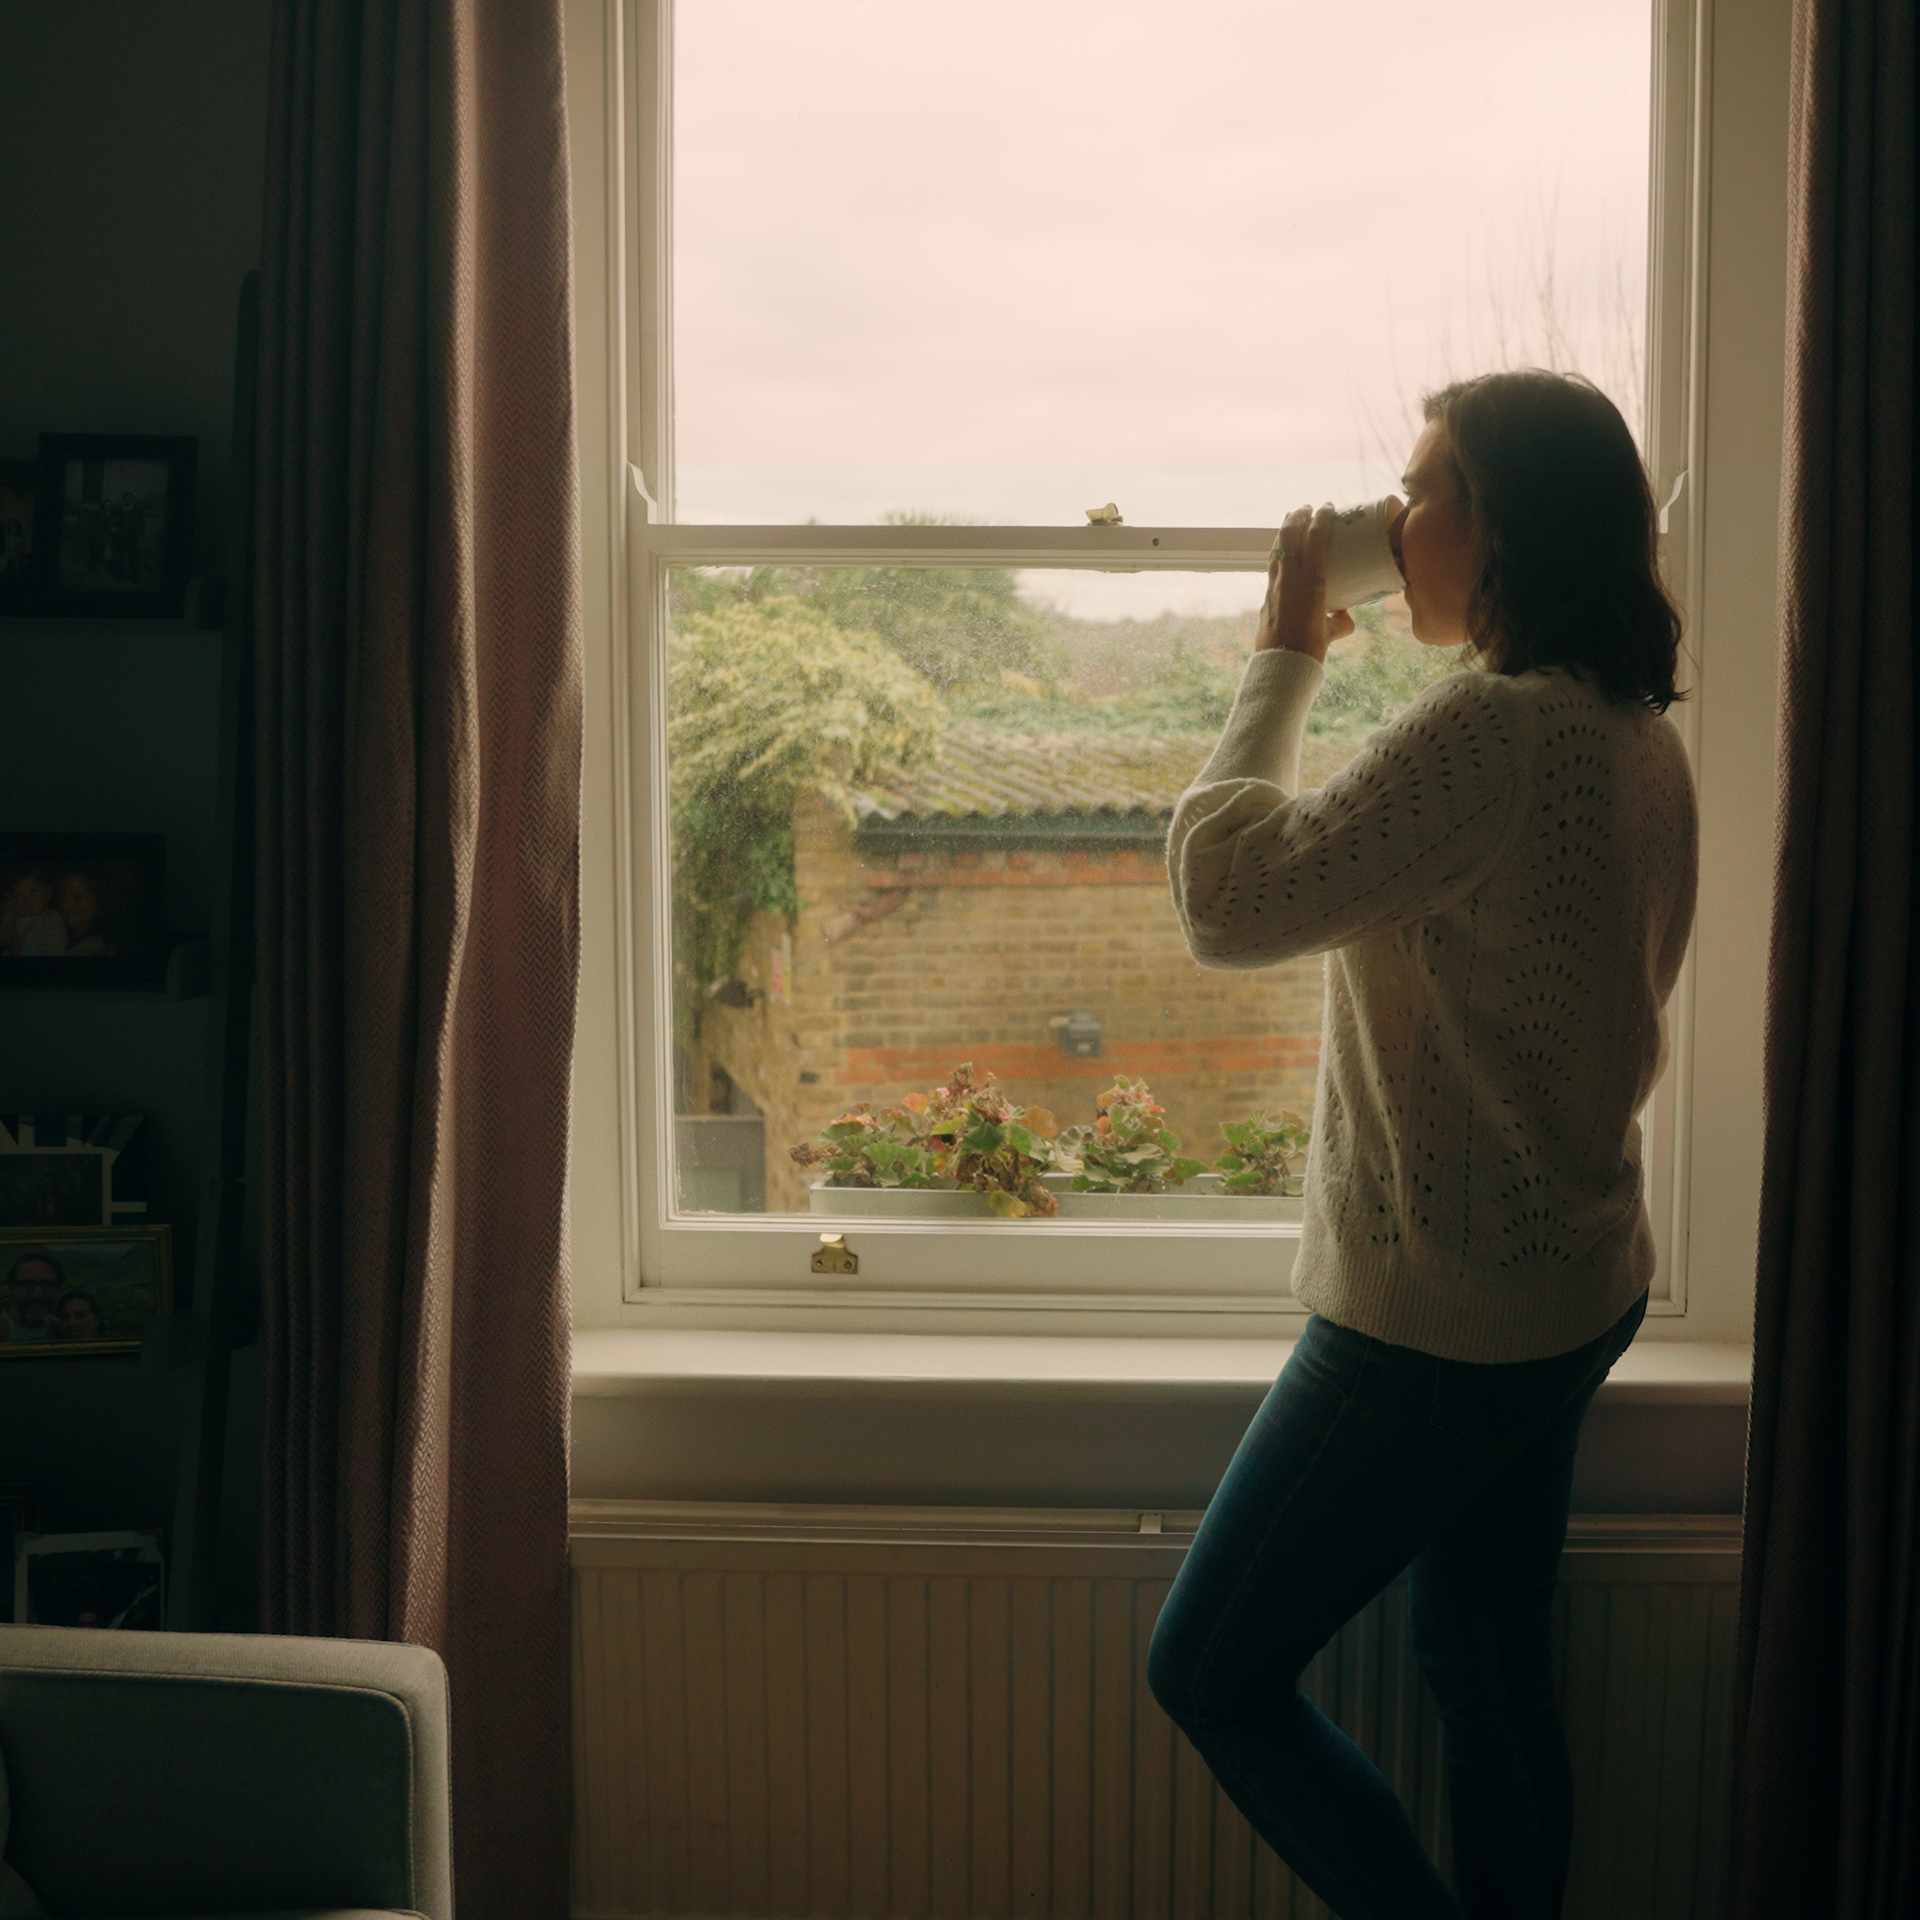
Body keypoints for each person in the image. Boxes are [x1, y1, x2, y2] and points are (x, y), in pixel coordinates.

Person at [1148, 369, 1697, 1920]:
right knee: (1484, 1667)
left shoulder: (1495, 734)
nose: (1395, 522)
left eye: (1427, 487)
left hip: (1437, 1321)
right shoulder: (1634, 731)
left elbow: (1226, 898)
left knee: (1208, 1667)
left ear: (1507, 526)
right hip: (1568, 1287)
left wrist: (1279, 657)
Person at [1, 869, 67, 957]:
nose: (27, 899)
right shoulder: (17, 918)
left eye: (33, 891)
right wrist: (8, 914)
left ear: (48, 891)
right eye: (19, 894)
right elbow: (2, 939)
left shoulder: (55, 919)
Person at [3, 1247, 64, 1342]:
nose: (37, 1295)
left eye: (46, 1284)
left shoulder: (63, 1330)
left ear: (58, 1288)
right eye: (28, 1284)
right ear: (11, 1287)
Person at [55, 870, 115, 956]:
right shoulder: (59, 932)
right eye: (63, 897)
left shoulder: (91, 948)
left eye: (78, 897)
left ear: (98, 899)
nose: (67, 905)